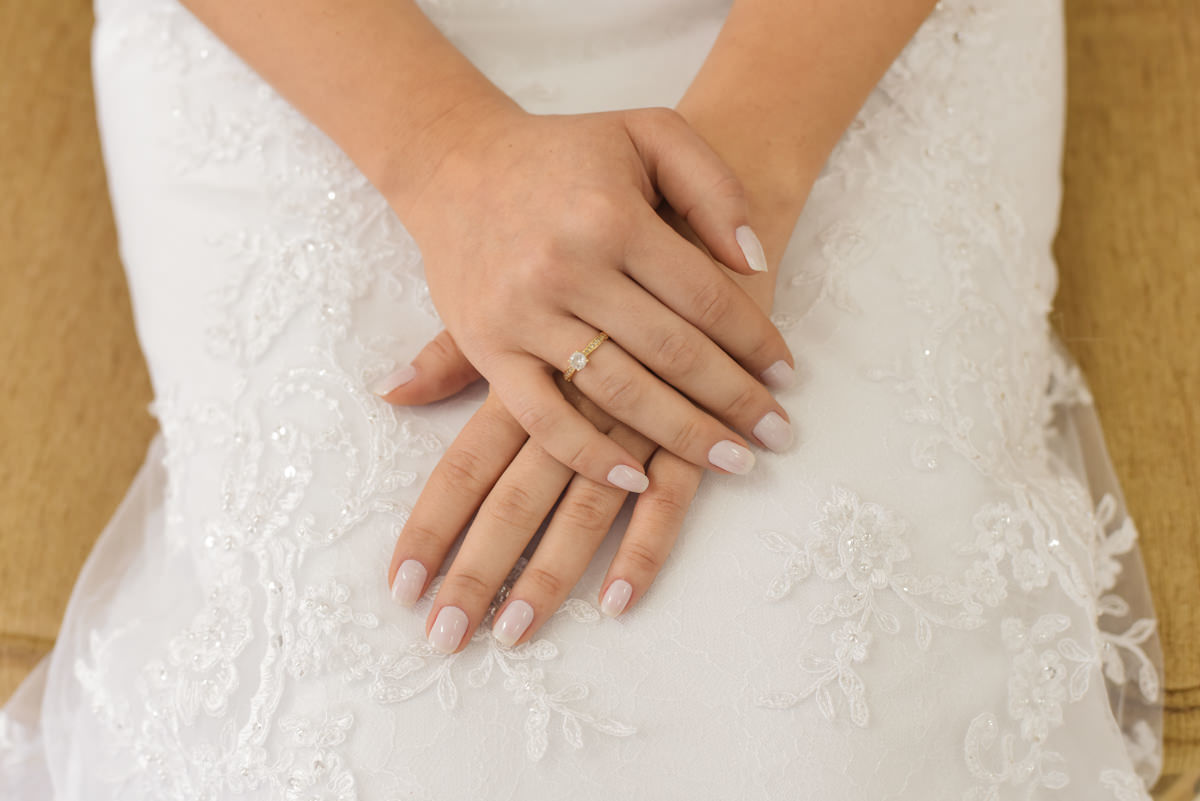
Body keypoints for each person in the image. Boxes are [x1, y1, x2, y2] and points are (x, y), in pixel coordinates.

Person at [0, 0, 1165, 798]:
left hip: (822, 40)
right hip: (329, 42)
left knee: (845, 710)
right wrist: (445, 158)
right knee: (356, 726)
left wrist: (728, 197)